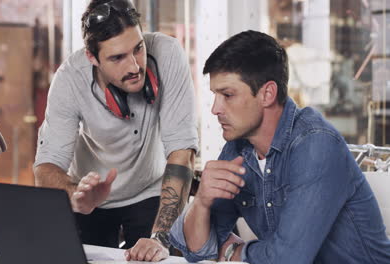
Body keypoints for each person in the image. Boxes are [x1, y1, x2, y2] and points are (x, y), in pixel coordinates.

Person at [170, 30, 390, 263]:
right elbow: (197, 251)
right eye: (215, 95)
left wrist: (232, 252)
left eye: (227, 95)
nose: (215, 108)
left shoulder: (316, 145)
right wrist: (202, 201)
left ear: (267, 94)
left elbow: (287, 259)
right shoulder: (238, 149)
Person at [33, 0, 198, 262]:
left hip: (150, 191)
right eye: (117, 57)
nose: (134, 66)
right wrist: (75, 195)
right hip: (92, 199)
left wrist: (160, 238)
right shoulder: (69, 79)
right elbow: (46, 168)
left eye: (138, 49)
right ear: (92, 57)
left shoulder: (167, 53)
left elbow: (182, 153)